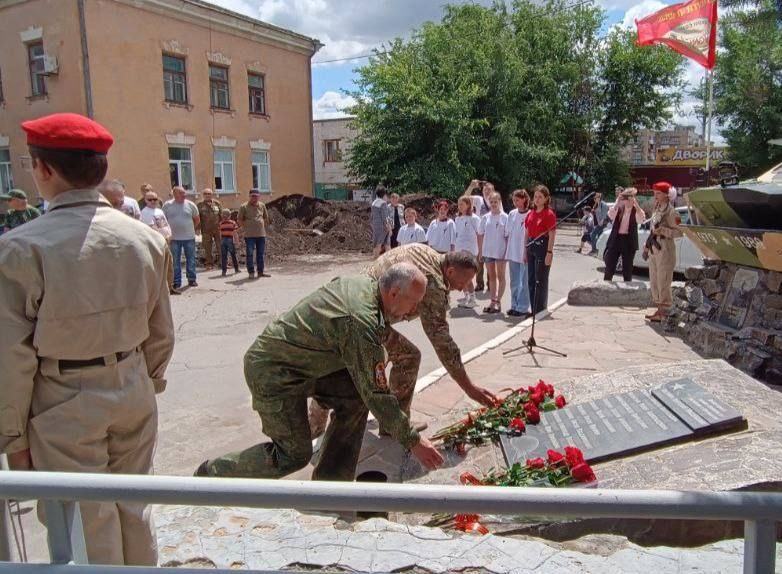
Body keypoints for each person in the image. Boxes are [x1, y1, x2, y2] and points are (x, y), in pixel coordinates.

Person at [0, 112, 174, 566]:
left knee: (85, 518)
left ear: (43, 169)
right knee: (134, 508)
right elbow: (161, 331)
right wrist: (144, 380)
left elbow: (10, 358)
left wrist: (13, 438)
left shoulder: (21, 248)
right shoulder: (146, 239)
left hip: (64, 397)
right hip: (133, 383)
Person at [195, 263, 445, 480]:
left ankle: (331, 484)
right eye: (413, 303)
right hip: (274, 374)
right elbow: (377, 393)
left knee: (355, 396)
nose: (413, 311)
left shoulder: (367, 288)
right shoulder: (359, 319)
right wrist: (413, 441)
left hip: (307, 366)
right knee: (292, 455)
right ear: (393, 293)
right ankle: (212, 474)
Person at [309, 245, 498, 438]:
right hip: (363, 315)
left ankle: (320, 422)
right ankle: (393, 424)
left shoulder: (427, 253)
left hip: (357, 301)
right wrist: (470, 389)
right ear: (450, 271)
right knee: (404, 357)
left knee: (368, 358)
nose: (463, 287)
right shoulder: (432, 282)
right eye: (464, 280)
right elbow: (443, 343)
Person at [645, 181, 682, 322]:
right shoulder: (657, 209)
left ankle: (664, 312)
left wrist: (664, 231)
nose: (656, 196)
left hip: (665, 248)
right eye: (655, 193)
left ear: (667, 195)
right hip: (654, 248)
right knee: (654, 280)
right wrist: (647, 245)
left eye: (658, 193)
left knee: (663, 280)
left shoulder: (672, 212)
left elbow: (680, 232)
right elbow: (652, 228)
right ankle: (659, 310)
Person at [524, 184, 557, 314]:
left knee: (540, 280)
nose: (537, 199)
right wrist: (524, 251)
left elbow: (552, 234)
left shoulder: (549, 214)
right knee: (531, 279)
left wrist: (549, 252)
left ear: (546, 198)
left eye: (540, 197)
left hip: (543, 246)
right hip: (531, 244)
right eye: (535, 197)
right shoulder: (530, 213)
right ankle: (533, 309)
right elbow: (526, 233)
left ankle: (540, 309)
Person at [603, 188, 645, 283]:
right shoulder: (620, 207)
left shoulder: (636, 210)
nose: (627, 202)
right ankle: (606, 284)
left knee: (627, 267)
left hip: (629, 241)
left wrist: (636, 205)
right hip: (616, 239)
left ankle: (627, 286)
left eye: (630, 199)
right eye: (626, 199)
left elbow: (641, 220)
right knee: (610, 264)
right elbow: (610, 215)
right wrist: (617, 202)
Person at [163, 186, 200, 289]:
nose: (184, 195)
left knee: (191, 259)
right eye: (181, 193)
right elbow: (164, 220)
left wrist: (189, 228)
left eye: (184, 193)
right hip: (174, 238)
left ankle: (192, 279)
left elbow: (197, 219)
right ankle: (176, 281)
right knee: (175, 261)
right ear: (174, 194)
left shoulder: (191, 205)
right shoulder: (167, 205)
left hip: (189, 237)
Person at [463, 179, 496, 292]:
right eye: (485, 190)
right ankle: (479, 283)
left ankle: (490, 283)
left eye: (489, 190)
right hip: (479, 233)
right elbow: (464, 198)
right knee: (479, 260)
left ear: (493, 191)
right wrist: (471, 187)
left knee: (490, 261)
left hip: (491, 234)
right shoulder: (478, 200)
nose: (486, 192)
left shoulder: (495, 201)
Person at [478, 192, 508, 314]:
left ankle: (498, 301)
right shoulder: (485, 217)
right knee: (491, 276)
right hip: (488, 251)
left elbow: (507, 236)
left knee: (501, 276)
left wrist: (507, 252)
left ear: (499, 202)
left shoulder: (505, 217)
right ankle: (492, 300)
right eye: (492, 202)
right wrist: (481, 252)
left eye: (496, 201)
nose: (494, 204)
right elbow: (480, 234)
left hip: (500, 251)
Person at [140, 190, 175, 294]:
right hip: (156, 242)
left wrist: (169, 234)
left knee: (169, 264)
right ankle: (160, 290)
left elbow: (165, 224)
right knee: (159, 266)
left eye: (155, 199)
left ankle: (169, 286)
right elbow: (151, 228)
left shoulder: (159, 211)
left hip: (166, 240)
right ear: (145, 200)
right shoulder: (145, 212)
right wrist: (163, 237)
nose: (153, 201)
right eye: (150, 199)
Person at [505, 189, 531, 318]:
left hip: (524, 252)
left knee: (523, 281)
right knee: (514, 281)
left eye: (518, 200)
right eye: (514, 200)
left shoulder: (530, 214)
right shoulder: (512, 214)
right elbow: (508, 231)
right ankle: (514, 305)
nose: (515, 202)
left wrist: (526, 251)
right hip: (513, 251)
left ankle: (523, 307)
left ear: (524, 199)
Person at [454, 196, 481, 308]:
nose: (460, 207)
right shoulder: (458, 219)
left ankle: (473, 298)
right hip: (459, 249)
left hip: (470, 250)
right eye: (459, 204)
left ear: (468, 205)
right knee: (460, 275)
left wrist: (480, 251)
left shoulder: (475, 218)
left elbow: (479, 235)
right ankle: (466, 296)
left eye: (462, 204)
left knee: (467, 276)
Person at [238, 189, 271, 278]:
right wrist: (246, 228)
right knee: (250, 254)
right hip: (249, 235)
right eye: (253, 196)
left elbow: (265, 218)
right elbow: (240, 219)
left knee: (260, 254)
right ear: (249, 196)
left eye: (256, 196)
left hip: (261, 234)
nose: (254, 198)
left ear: (259, 196)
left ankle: (260, 272)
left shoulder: (262, 205)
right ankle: (251, 272)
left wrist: (261, 225)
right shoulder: (244, 206)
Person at [197, 188, 223, 271]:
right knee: (207, 248)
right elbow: (197, 218)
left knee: (220, 246)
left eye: (209, 193)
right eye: (205, 194)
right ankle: (209, 264)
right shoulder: (199, 205)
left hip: (217, 229)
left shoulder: (217, 203)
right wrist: (197, 229)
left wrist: (222, 226)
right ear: (203, 195)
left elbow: (221, 216)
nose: (207, 195)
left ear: (212, 194)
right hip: (206, 230)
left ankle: (222, 263)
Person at [371, 185, 392, 258]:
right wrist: (388, 227)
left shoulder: (374, 203)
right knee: (382, 243)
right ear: (384, 194)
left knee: (378, 242)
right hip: (383, 226)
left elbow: (372, 216)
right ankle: (387, 259)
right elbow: (385, 216)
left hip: (376, 225)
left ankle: (375, 257)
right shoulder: (383, 203)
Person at [219, 208, 240, 276]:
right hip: (230, 240)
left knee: (224, 256)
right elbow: (235, 232)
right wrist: (237, 241)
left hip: (223, 240)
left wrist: (220, 240)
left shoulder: (220, 223)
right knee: (233, 254)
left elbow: (220, 233)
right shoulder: (233, 223)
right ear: (229, 215)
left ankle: (224, 271)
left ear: (222, 216)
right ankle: (236, 269)